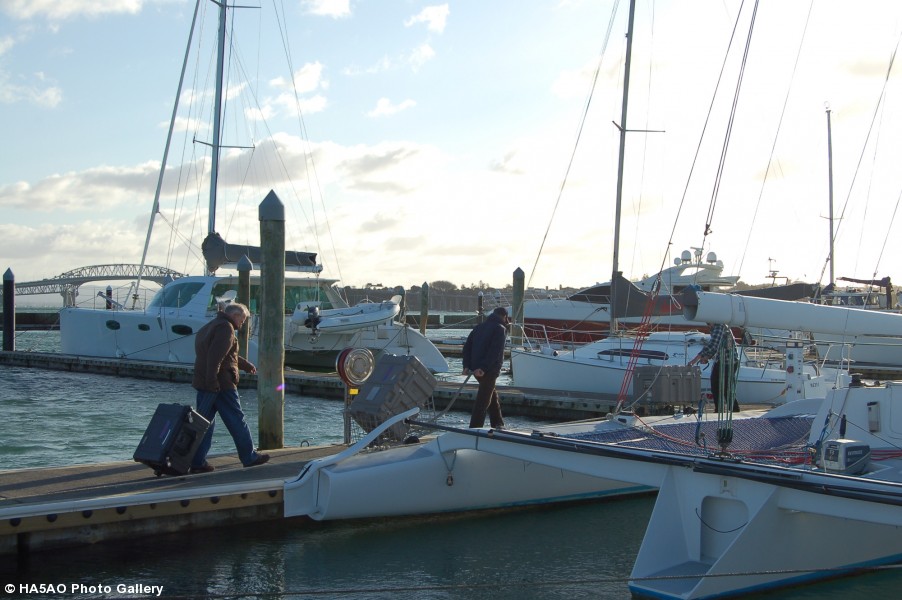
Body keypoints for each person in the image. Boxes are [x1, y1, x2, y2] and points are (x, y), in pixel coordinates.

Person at [190, 302, 270, 473]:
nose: (242, 324)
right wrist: (213, 382)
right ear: (235, 315)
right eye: (243, 319)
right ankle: (249, 456)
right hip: (221, 385)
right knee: (236, 420)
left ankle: (197, 462)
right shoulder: (226, 328)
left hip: (203, 383)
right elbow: (215, 358)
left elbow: (223, 354)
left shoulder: (211, 326)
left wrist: (244, 364)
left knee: (204, 424)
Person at [462, 306, 510, 429]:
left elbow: (467, 347)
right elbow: (495, 351)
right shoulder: (500, 329)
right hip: (488, 370)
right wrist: (483, 368)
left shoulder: (479, 327)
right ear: (504, 317)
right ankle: (474, 429)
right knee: (482, 402)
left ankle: (498, 424)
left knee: (491, 396)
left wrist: (466, 366)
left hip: (475, 368)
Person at [688, 322, 741, 412]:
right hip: (721, 361)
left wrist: (695, 360)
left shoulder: (719, 327)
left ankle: (734, 409)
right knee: (716, 387)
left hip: (728, 362)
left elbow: (713, 345)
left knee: (725, 388)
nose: (708, 325)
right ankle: (720, 409)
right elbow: (718, 347)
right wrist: (707, 357)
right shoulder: (717, 328)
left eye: (708, 323)